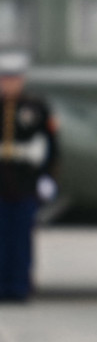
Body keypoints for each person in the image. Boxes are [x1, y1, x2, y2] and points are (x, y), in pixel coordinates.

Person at [0, 51, 59, 302]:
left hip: (25, 182)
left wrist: (47, 177)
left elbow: (51, 146)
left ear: (22, 80)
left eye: (13, 78)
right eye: (5, 78)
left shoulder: (36, 108)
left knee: (21, 238)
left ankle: (19, 286)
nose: (9, 83)